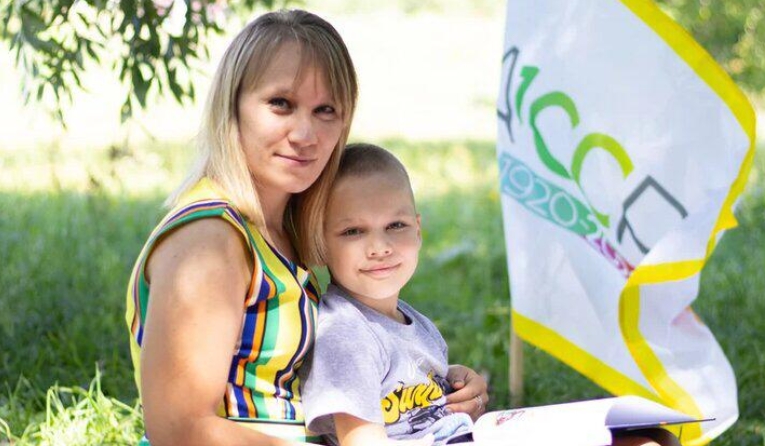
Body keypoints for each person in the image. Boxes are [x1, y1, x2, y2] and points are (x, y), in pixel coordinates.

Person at [124, 10, 488, 446]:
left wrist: (439, 388)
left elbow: (337, 370)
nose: (304, 133)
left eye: (325, 110)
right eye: (281, 103)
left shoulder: (283, 228)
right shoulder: (210, 240)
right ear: (232, 106)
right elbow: (179, 429)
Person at [300, 143, 682, 446]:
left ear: (418, 230)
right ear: (319, 241)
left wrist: (451, 380)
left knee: (654, 437)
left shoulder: (414, 323)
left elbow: (405, 393)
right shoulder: (345, 332)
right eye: (353, 231)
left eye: (395, 225)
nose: (380, 247)